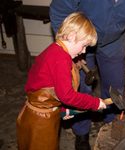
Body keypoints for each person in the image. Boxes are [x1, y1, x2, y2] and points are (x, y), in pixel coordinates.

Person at [49, 0, 125, 149]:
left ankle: (111, 129)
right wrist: (68, 50)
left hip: (113, 43)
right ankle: (81, 134)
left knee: (116, 87)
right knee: (81, 89)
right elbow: (59, 10)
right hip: (80, 40)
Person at [16, 12, 107, 150]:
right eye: (83, 46)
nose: (84, 51)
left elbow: (52, 87)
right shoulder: (61, 59)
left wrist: (65, 109)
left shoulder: (56, 50)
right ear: (71, 36)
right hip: (40, 120)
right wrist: (94, 103)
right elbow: (67, 95)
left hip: (42, 112)